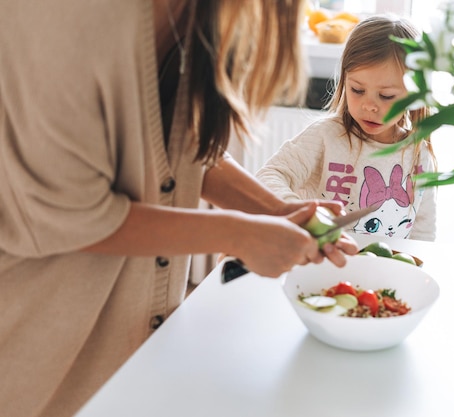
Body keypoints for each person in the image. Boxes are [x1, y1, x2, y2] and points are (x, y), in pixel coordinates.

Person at [0, 1, 359, 416]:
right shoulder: (66, 19)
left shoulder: (186, 14)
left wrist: (276, 212)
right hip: (33, 349)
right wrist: (238, 234)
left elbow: (178, 147)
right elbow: (71, 213)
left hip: (126, 348)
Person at [256, 15, 437, 241]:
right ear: (345, 80)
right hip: (323, 265)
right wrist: (298, 211)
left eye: (386, 96)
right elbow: (269, 175)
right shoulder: (325, 135)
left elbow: (424, 229)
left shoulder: (420, 153)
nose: (369, 106)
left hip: (384, 270)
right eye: (357, 90)